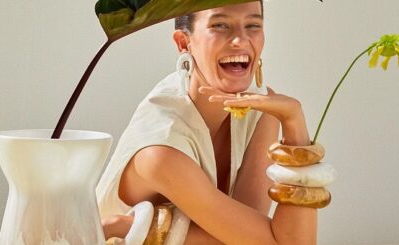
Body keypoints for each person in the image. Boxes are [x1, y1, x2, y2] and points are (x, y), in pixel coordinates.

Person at [96, 1, 317, 244]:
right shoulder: (162, 149)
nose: (241, 40)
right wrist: (294, 126)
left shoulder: (261, 112)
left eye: (253, 25)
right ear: (183, 42)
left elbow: (248, 236)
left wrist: (293, 119)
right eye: (220, 25)